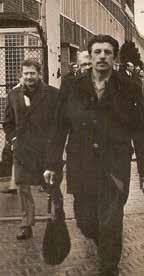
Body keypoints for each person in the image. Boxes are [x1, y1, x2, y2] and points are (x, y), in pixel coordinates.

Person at [44, 35, 144, 275]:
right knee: (86, 221)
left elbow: (139, 131)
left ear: (114, 57)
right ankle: (105, 243)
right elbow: (59, 126)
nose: (102, 56)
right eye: (97, 52)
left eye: (107, 52)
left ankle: (109, 267)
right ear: (90, 56)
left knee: (111, 221)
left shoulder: (129, 87)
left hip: (114, 166)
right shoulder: (72, 86)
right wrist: (52, 164)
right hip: (81, 165)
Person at [3, 59, 62, 240]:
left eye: (32, 73)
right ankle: (26, 224)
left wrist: (54, 145)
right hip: (22, 149)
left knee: (51, 185)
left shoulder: (53, 94)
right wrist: (13, 138)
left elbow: (58, 123)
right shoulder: (13, 95)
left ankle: (56, 220)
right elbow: (7, 122)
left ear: (39, 74)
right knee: (22, 186)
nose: (29, 77)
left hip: (45, 149)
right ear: (21, 75)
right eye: (26, 73)